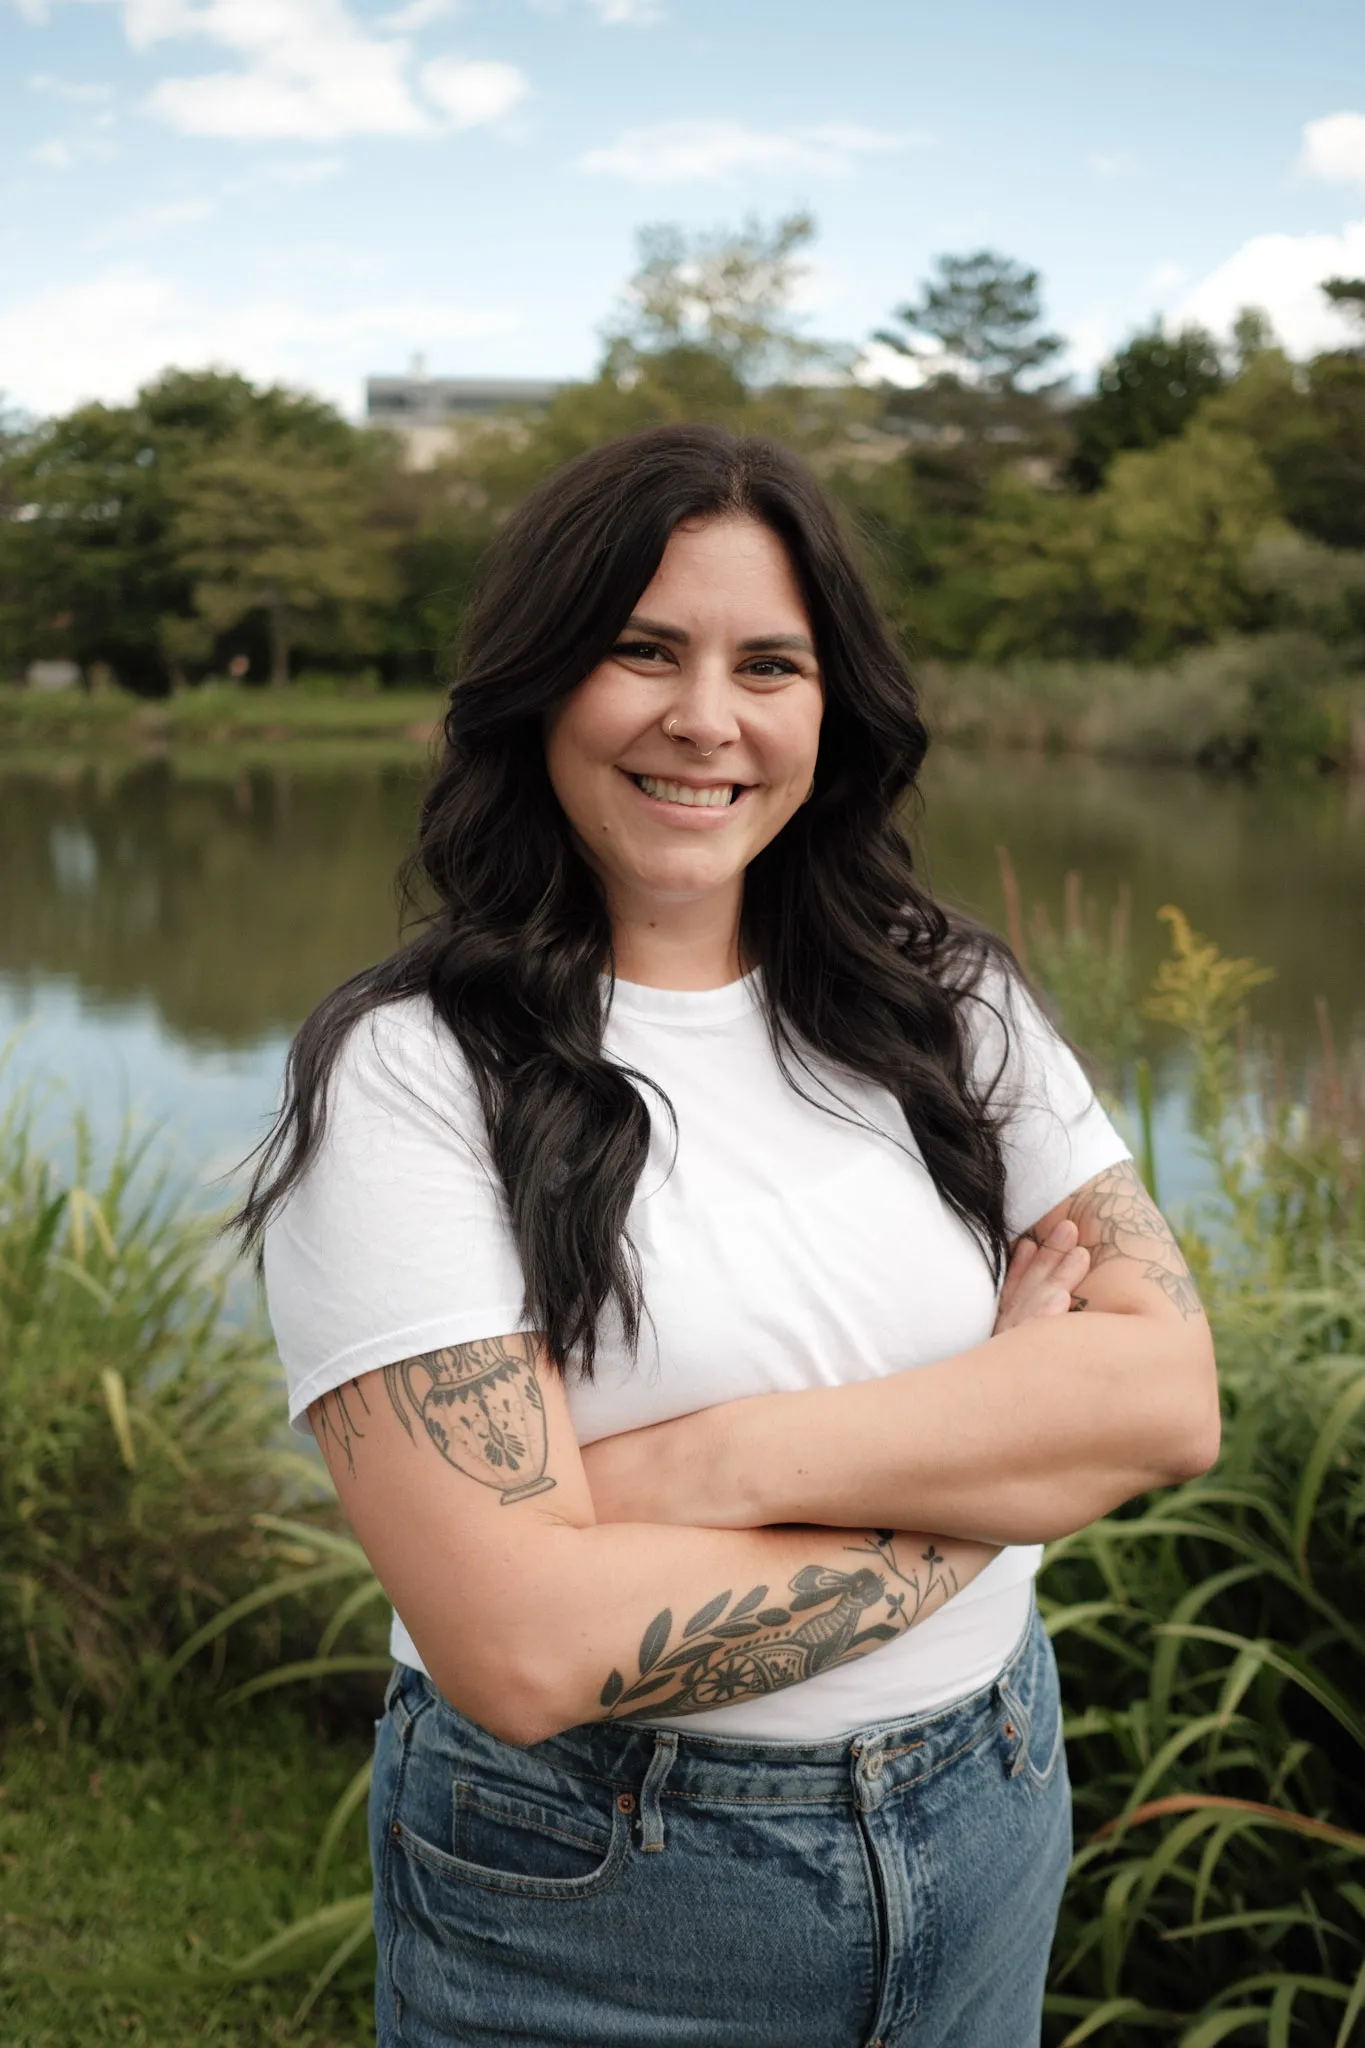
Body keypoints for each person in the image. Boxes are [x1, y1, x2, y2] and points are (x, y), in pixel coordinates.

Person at [241, 424, 1218, 2048]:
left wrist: (715, 1466)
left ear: (830, 712)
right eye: (643, 651)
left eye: (770, 663)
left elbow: (1168, 1401)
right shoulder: (411, 1076)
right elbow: (524, 1647)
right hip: (602, 1878)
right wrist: (996, 1487)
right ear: (542, 681)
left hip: (990, 1794)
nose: (708, 718)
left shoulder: (951, 1003)